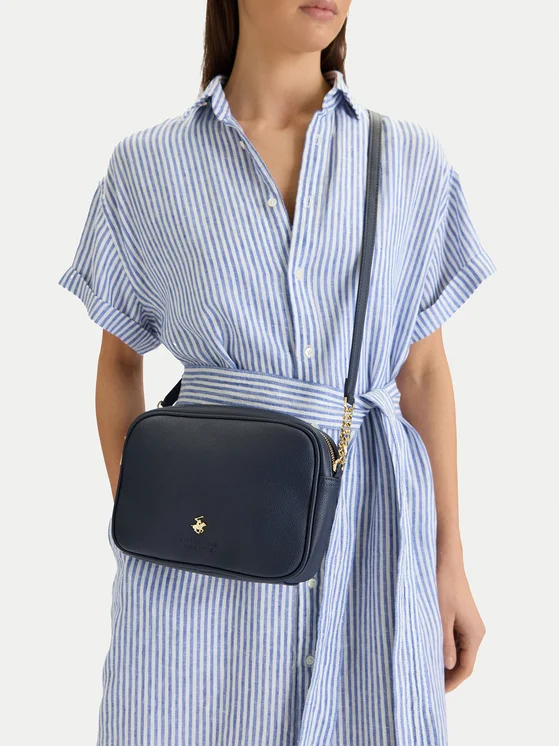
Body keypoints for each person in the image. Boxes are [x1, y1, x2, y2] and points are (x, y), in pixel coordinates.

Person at [57, 0, 496, 744]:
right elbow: (119, 362)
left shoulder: (408, 159)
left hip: (370, 532)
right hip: (203, 549)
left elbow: (422, 372)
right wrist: (162, 514)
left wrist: (448, 562)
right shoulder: (148, 167)